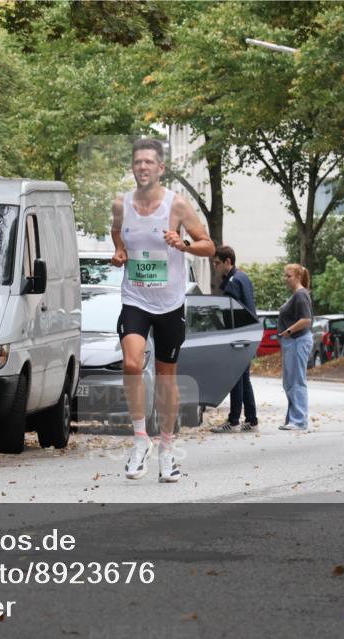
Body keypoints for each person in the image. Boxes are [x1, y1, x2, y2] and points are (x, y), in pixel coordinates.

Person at [111, 137, 215, 482]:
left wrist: (183, 244)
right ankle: (141, 439)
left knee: (166, 377)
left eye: (148, 162)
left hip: (170, 303)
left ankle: (167, 449)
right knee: (130, 361)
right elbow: (117, 235)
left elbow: (209, 246)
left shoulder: (177, 205)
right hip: (135, 299)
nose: (142, 167)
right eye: (137, 162)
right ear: (133, 167)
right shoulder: (120, 204)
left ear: (160, 168)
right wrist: (120, 252)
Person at [210, 246, 259, 433]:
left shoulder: (233, 282)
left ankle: (233, 421)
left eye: (217, 263)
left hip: (238, 335)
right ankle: (252, 420)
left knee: (236, 378)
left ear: (228, 261)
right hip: (249, 333)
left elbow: (230, 313)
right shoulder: (243, 277)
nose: (215, 267)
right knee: (243, 378)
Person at [277, 263, 313, 430]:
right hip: (292, 342)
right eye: (285, 275)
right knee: (289, 382)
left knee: (297, 381)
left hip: (298, 340)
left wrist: (288, 331)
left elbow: (306, 320)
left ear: (298, 277)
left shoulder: (301, 295)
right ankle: (293, 419)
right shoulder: (296, 295)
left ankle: (299, 421)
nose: (286, 279)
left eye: (289, 276)